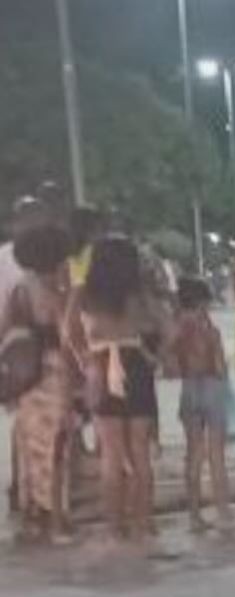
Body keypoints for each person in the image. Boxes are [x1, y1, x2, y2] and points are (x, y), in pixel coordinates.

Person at [67, 237, 161, 543]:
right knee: (140, 453)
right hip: (137, 364)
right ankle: (144, 522)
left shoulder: (84, 293)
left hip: (100, 363)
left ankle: (114, 527)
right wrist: (154, 356)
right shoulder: (139, 293)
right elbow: (167, 327)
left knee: (111, 454)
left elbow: (68, 330)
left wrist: (84, 359)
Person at [0, 226, 75, 544]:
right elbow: (70, 338)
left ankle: (34, 517)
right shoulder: (57, 292)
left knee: (32, 448)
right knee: (56, 449)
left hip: (26, 378)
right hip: (54, 373)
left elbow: (5, 331)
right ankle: (56, 519)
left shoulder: (20, 289)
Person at [168, 277, 235, 534]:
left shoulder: (176, 327)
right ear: (202, 302)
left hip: (189, 387)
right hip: (211, 386)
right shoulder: (209, 329)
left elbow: (169, 362)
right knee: (216, 454)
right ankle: (223, 512)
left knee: (193, 454)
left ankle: (194, 515)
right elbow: (219, 366)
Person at [67, 206, 107, 289]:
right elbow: (78, 285)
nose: (102, 234)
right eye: (99, 228)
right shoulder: (89, 254)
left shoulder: (69, 255)